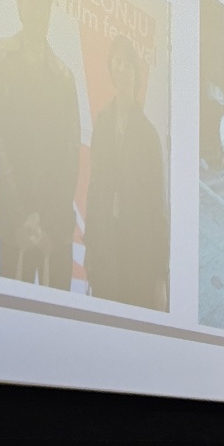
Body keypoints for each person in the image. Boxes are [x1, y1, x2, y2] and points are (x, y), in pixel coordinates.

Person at [0, 0, 80, 288]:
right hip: (14, 224)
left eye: (45, 4)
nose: (40, 11)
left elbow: (70, 157)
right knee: (10, 316)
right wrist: (22, 216)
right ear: (19, 3)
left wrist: (47, 221)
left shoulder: (65, 77)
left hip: (56, 229)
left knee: (59, 319)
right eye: (32, 1)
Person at [84, 36, 168, 309]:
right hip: (105, 250)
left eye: (126, 63)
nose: (121, 68)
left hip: (137, 253)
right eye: (116, 62)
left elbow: (157, 209)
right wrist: (90, 248)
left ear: (135, 72)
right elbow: (95, 190)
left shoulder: (148, 135)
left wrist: (160, 277)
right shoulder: (102, 123)